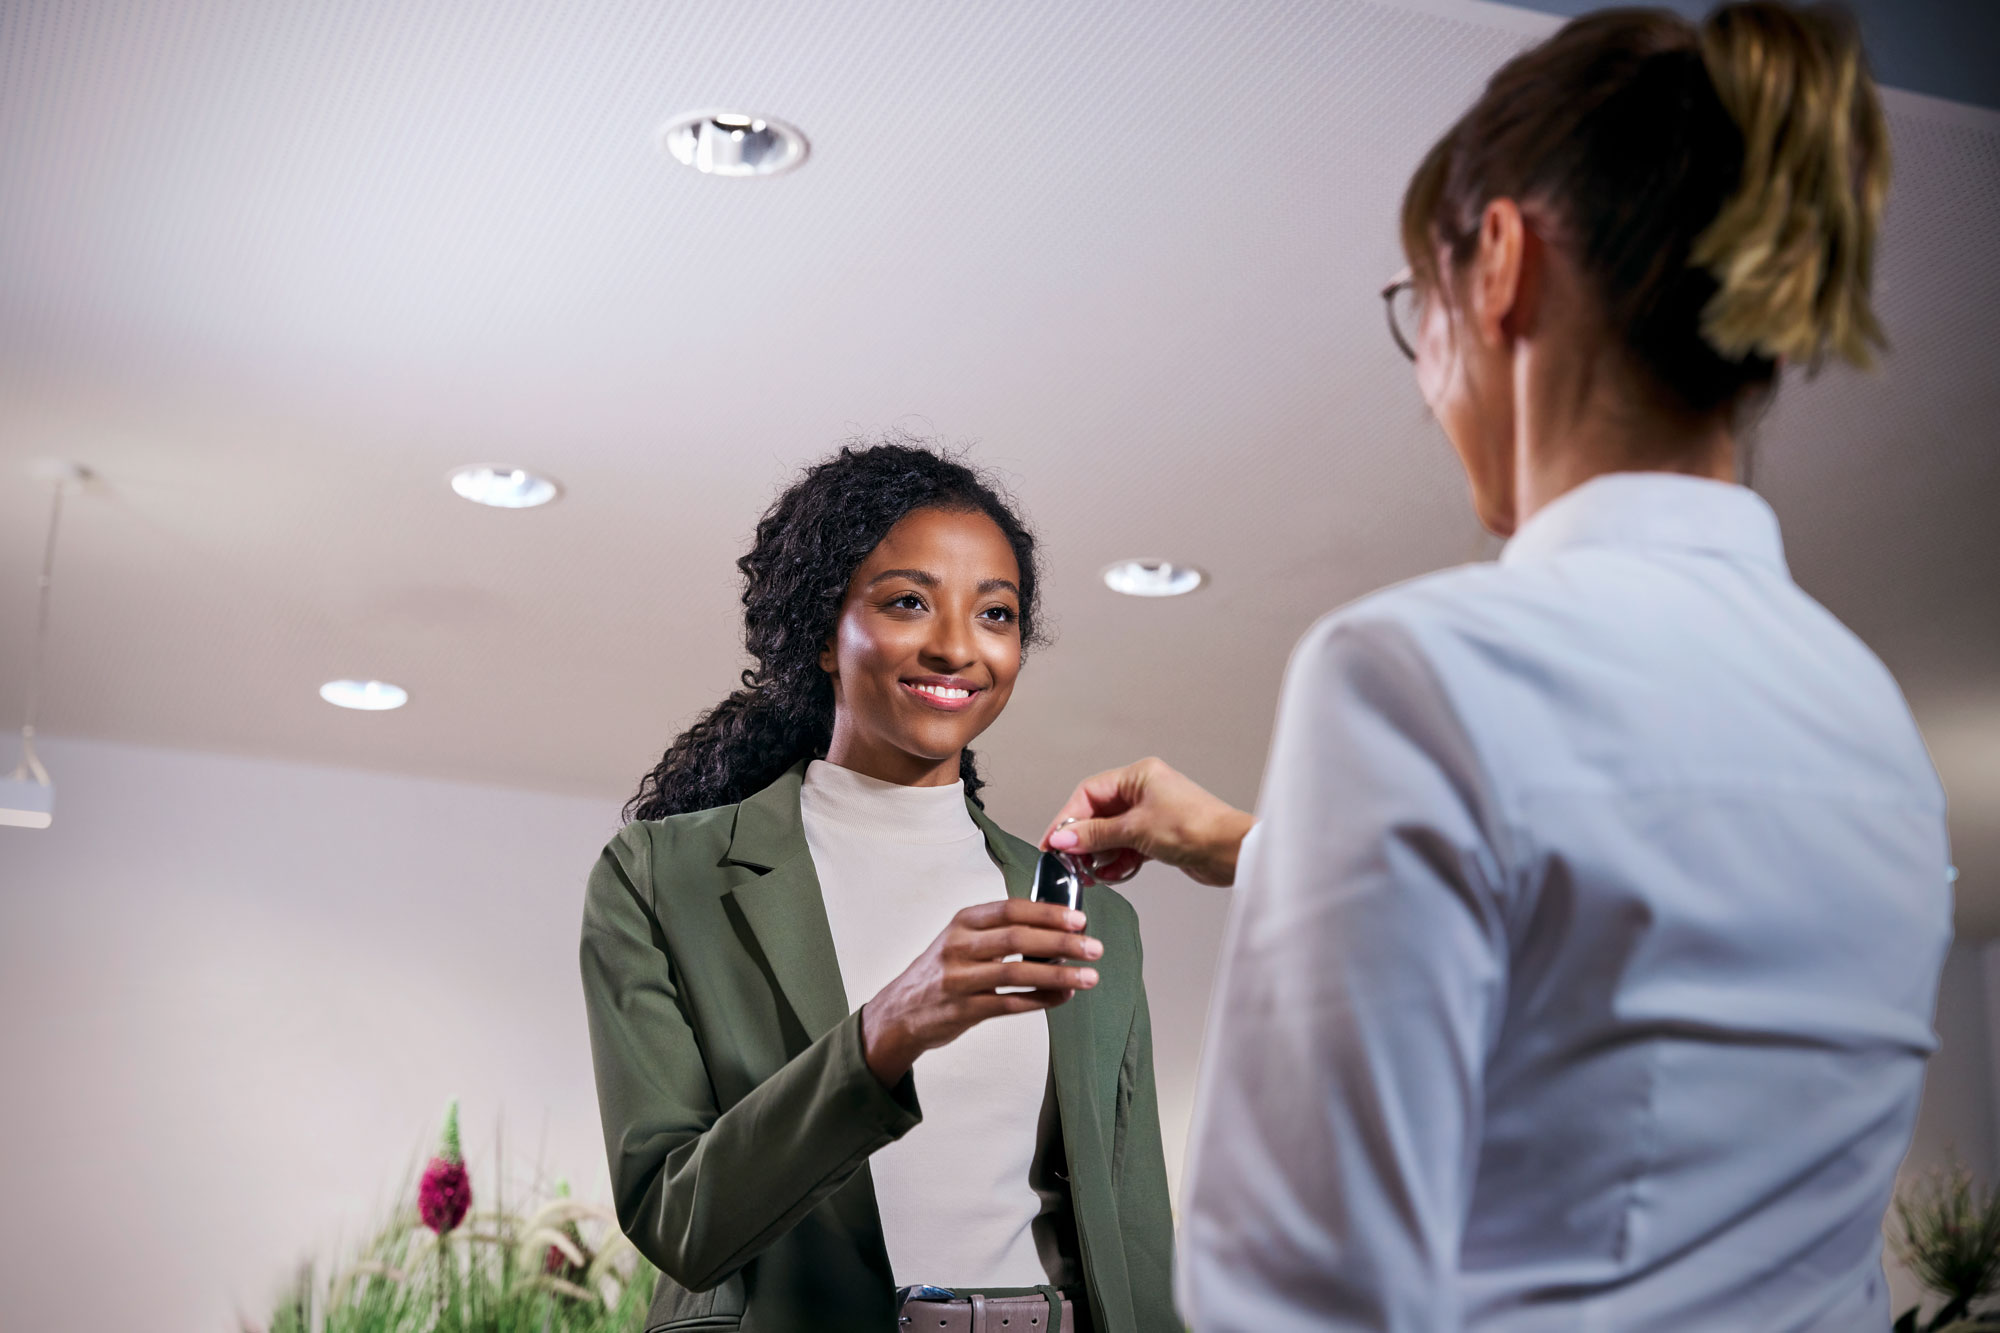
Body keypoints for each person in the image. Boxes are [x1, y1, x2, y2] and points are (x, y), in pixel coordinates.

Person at [1043, 4, 1950, 1329]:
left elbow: (1294, 1297)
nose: (1426, 380)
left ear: (1504, 263)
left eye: (1423, 309)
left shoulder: (1411, 674)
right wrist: (1251, 838)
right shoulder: (1871, 724)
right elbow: (1616, 937)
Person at [581, 441, 1175, 1333]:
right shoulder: (661, 878)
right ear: (823, 631)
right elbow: (680, 1220)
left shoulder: (1095, 915)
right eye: (908, 601)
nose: (956, 647)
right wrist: (885, 1030)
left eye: (997, 614)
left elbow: (1133, 1238)